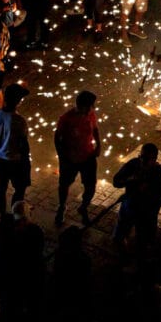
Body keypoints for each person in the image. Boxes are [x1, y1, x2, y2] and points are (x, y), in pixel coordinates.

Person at [112, 142, 161, 256]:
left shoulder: (159, 173)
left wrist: (148, 193)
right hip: (129, 207)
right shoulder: (133, 164)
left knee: (144, 243)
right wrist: (131, 179)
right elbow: (116, 181)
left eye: (147, 158)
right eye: (142, 157)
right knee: (118, 237)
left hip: (147, 214)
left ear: (154, 159)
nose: (143, 161)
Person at [55, 90, 101, 225]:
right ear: (82, 106)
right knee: (64, 184)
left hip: (88, 157)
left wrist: (99, 145)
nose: (93, 108)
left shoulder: (90, 114)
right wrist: (62, 156)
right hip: (70, 159)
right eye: (91, 106)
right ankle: (62, 206)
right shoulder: (66, 118)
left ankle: (83, 207)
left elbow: (95, 129)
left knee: (90, 186)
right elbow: (57, 138)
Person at [0, 82, 32, 215]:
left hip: (0, 157)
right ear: (18, 101)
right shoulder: (19, 120)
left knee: (2, 186)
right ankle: (16, 215)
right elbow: (23, 144)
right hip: (15, 160)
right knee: (20, 189)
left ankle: (3, 214)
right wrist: (26, 163)